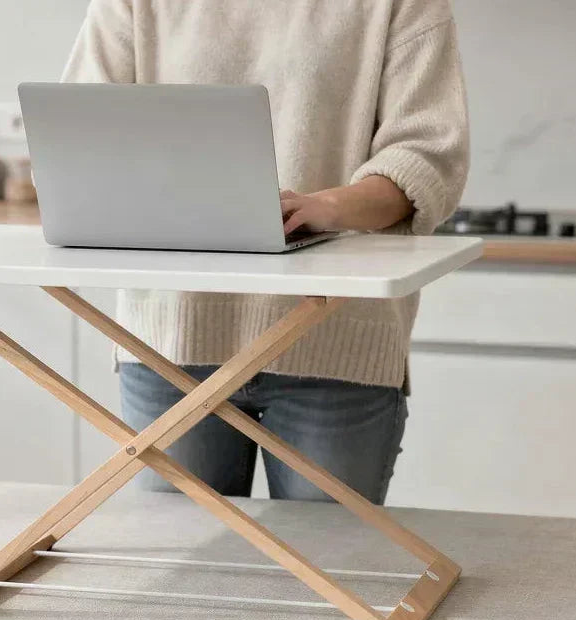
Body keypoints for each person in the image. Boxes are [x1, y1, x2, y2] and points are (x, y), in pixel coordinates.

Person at [62, 0, 469, 504]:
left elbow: (428, 155)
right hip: (169, 340)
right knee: (183, 566)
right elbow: (79, 133)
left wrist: (326, 207)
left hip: (334, 340)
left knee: (325, 567)